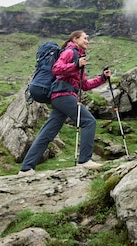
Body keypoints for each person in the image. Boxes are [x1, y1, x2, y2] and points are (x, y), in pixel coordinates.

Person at [19, 30, 111, 174]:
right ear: (75, 39)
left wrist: (102, 78)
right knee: (88, 121)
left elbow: (84, 85)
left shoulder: (79, 57)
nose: (88, 41)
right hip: (63, 95)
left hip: (63, 97)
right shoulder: (70, 51)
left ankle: (26, 168)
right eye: (85, 38)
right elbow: (57, 69)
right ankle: (85, 161)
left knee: (47, 133)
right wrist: (76, 65)